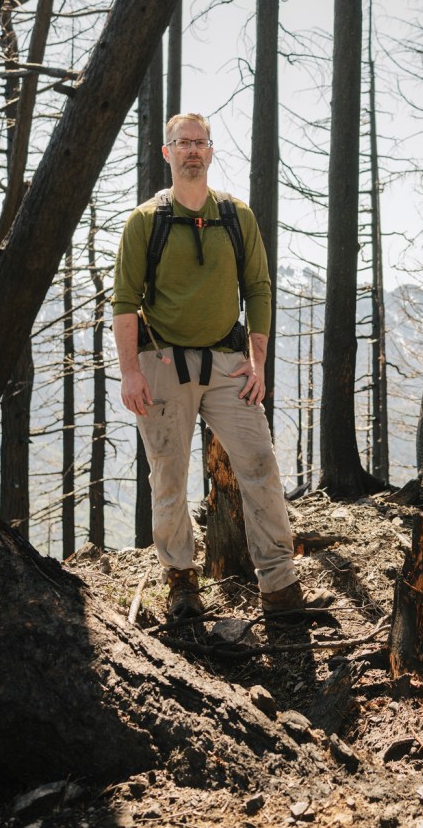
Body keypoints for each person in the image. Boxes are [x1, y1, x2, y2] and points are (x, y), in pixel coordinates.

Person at [112, 112, 326, 620]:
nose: (192, 151)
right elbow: (124, 300)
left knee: (259, 467)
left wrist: (257, 362)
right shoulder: (146, 221)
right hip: (161, 362)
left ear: (210, 152)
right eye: (182, 143)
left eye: (200, 143)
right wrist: (129, 371)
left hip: (229, 363)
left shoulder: (236, 216)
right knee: (168, 475)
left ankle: (278, 587)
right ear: (167, 153)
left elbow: (258, 289)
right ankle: (182, 584)